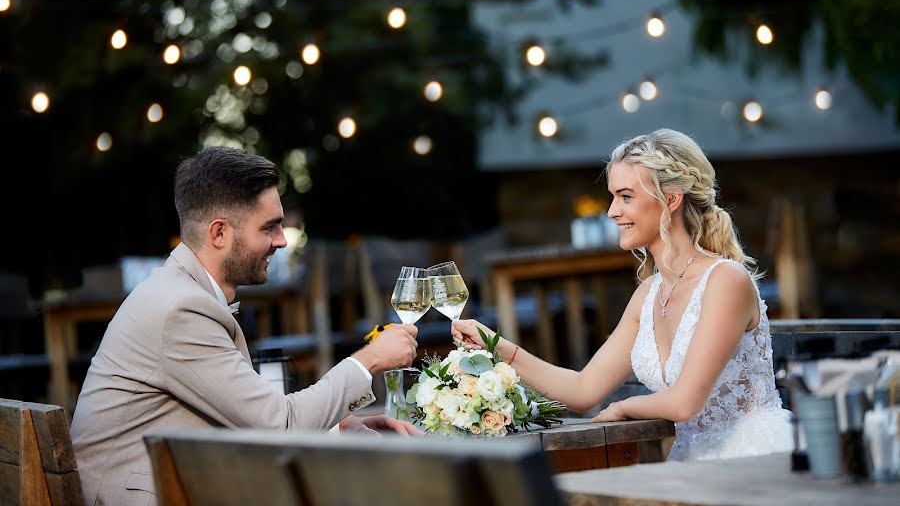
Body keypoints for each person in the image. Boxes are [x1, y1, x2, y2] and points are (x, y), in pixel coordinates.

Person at [71, 147, 421, 505]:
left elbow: (250, 413)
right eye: (269, 227)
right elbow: (279, 425)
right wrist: (370, 360)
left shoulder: (182, 292)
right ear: (219, 233)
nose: (283, 240)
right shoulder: (181, 308)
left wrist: (335, 428)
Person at [453, 129, 792, 461]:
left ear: (670, 199)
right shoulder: (648, 294)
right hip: (694, 463)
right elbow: (583, 390)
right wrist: (496, 345)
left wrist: (623, 406)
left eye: (626, 196)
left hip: (754, 458)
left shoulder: (725, 280)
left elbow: (686, 402)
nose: (612, 211)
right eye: (614, 196)